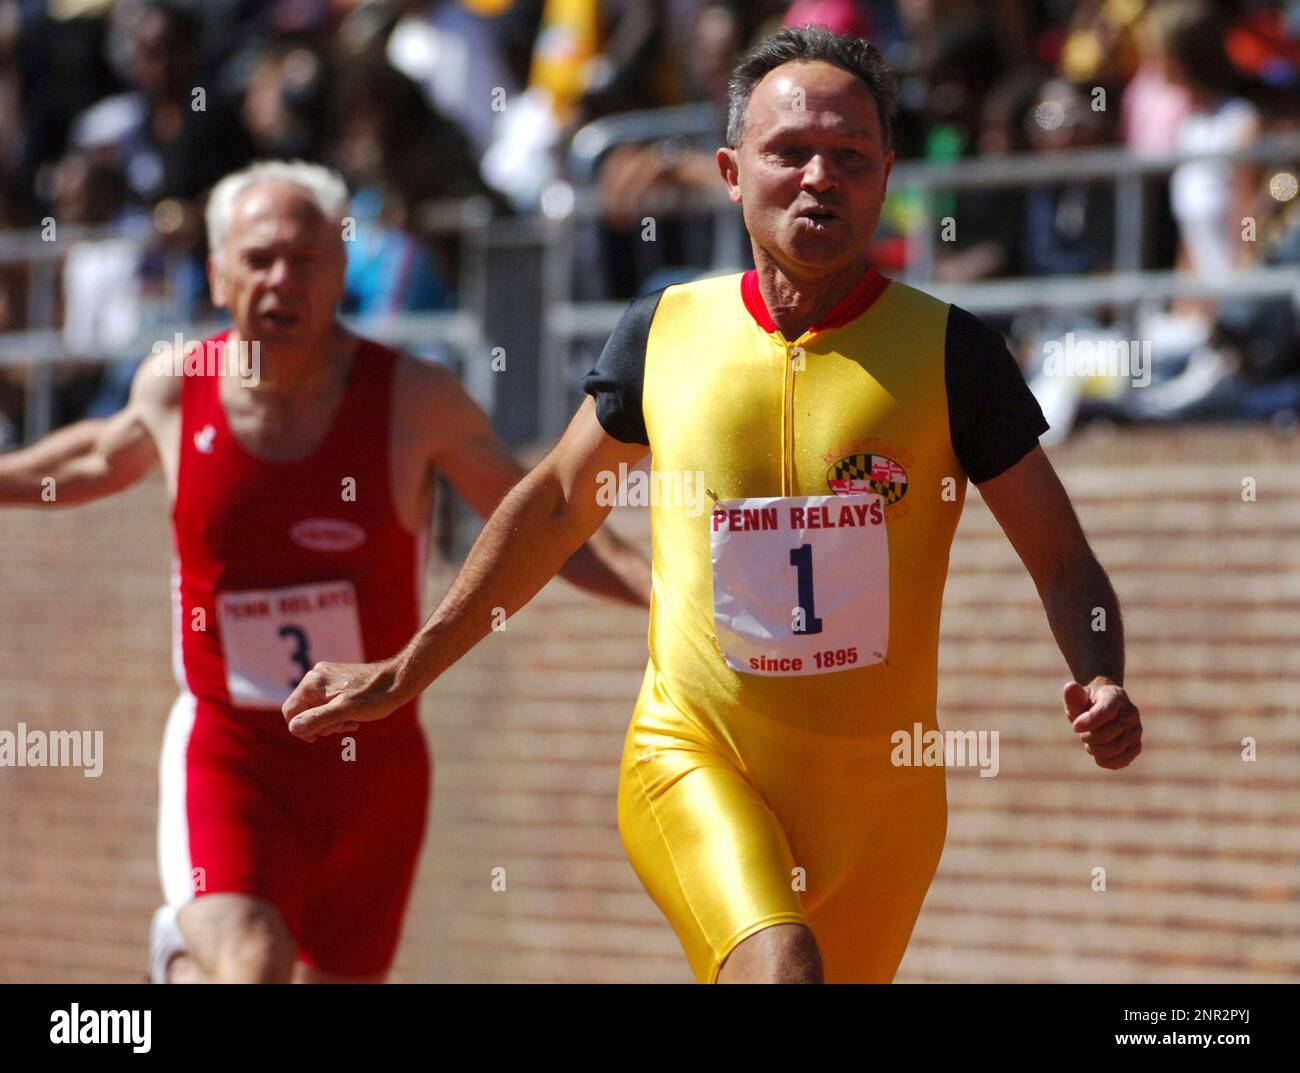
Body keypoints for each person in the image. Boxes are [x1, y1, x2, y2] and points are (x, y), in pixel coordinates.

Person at [282, 28, 1144, 984]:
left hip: (883, 804)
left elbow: (1064, 560)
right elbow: (561, 501)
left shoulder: (952, 355)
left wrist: (1100, 674)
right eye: (790, 153)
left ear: (887, 175)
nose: (821, 177)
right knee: (782, 967)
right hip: (693, 754)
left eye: (852, 157)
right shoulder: (663, 332)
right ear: (732, 172)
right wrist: (407, 669)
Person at [0, 159, 650, 984]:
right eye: (260, 259)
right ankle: (190, 946)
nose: (283, 279)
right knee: (253, 962)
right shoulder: (176, 387)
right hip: (231, 750)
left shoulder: (416, 399)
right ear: (217, 274)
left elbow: (551, 525)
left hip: (373, 766)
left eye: (306, 259)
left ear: (342, 270)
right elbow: (90, 455)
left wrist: (661, 592)